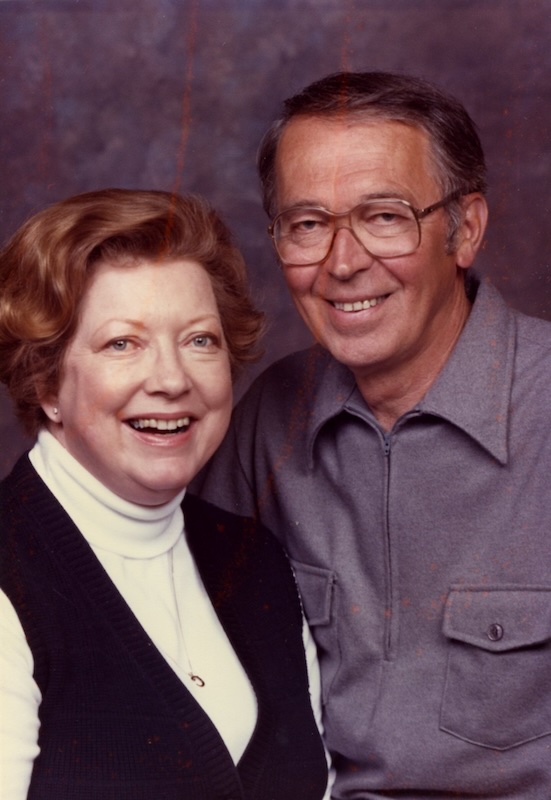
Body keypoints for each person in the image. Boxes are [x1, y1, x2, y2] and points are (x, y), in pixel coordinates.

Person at [192, 72, 551, 797]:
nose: (343, 262)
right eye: (307, 224)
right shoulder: (269, 419)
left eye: (384, 217)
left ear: (465, 228)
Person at [0, 189, 330, 800]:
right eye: (122, 343)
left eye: (199, 340)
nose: (172, 380)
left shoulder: (255, 562)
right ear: (46, 381)